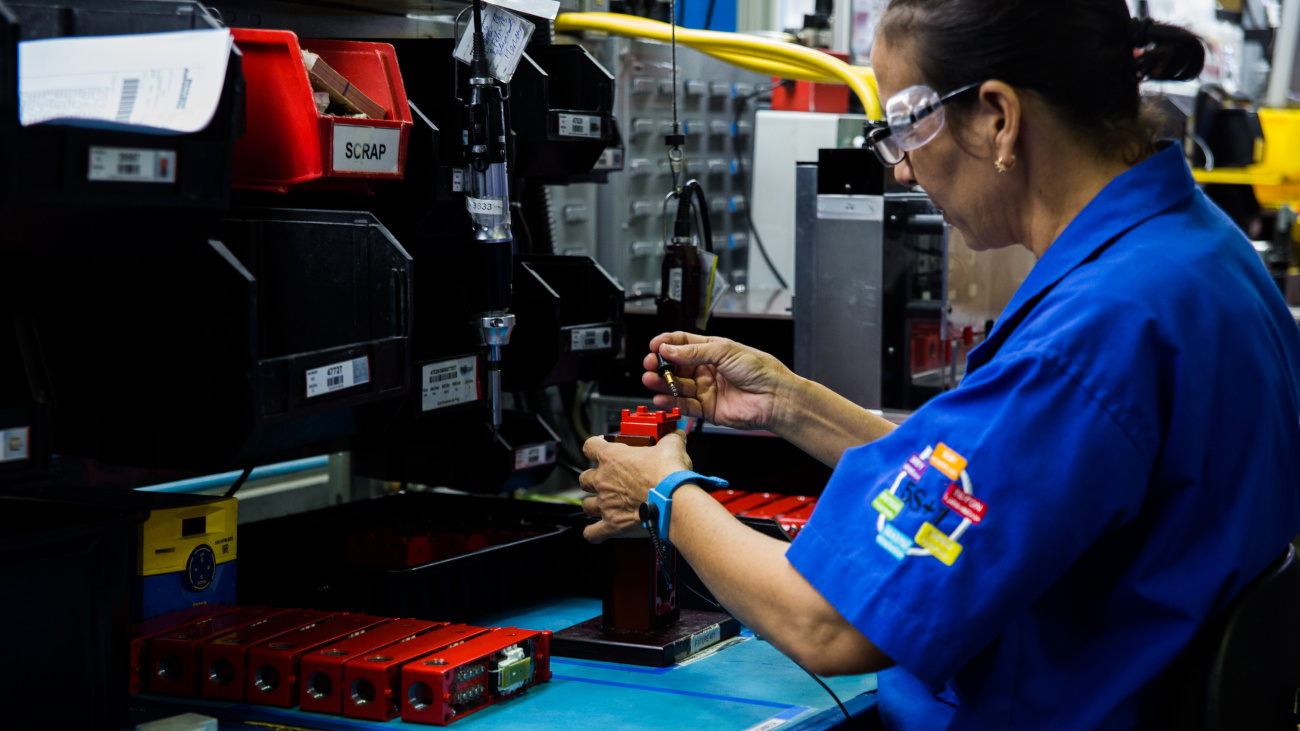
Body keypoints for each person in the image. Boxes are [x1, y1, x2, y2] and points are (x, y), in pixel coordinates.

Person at [578, 0, 1300, 728]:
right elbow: (995, 484)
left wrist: (663, 494)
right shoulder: (1202, 257)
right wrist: (789, 403)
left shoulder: (1090, 339)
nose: (900, 165)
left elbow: (826, 625)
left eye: (907, 125)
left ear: (998, 116)